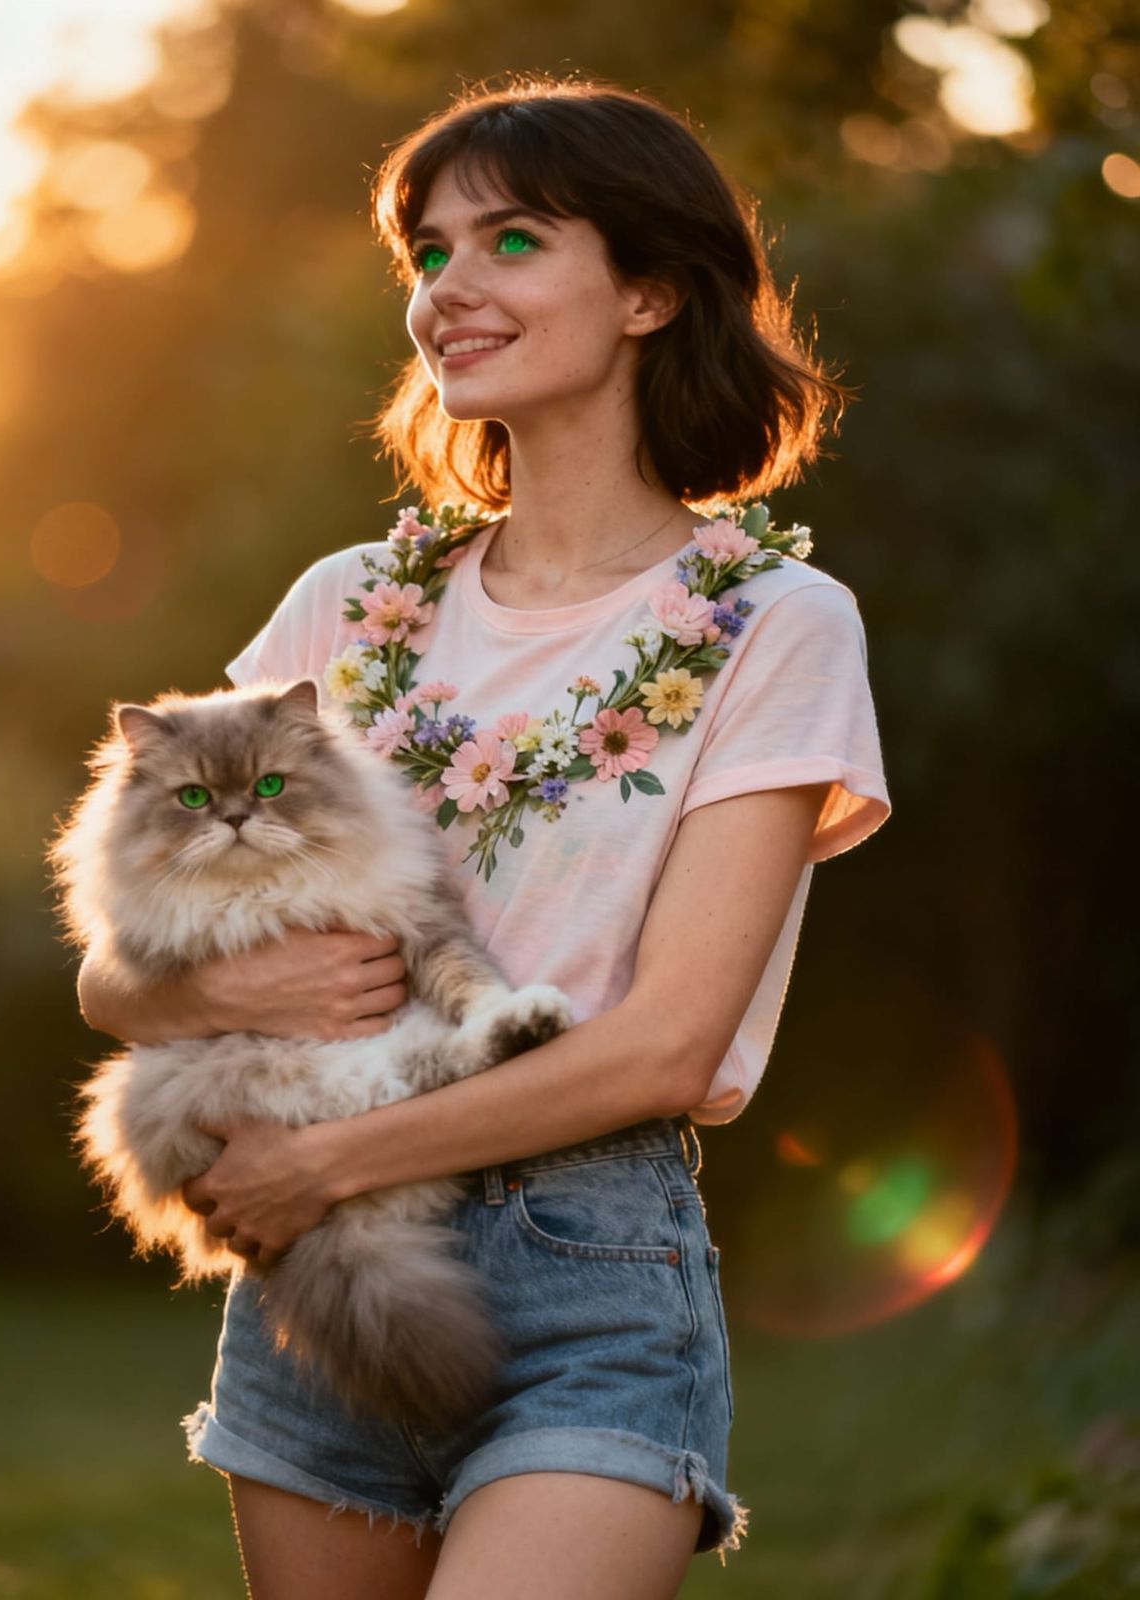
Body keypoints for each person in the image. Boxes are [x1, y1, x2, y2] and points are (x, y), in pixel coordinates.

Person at [76, 75, 891, 1600]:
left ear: (652, 289)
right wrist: (229, 1011)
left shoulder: (775, 626)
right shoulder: (347, 608)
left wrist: (327, 1162)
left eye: (508, 241)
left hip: (585, 1265)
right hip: (322, 1271)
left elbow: (664, 1045)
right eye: (426, 256)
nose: (447, 289)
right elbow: (111, 992)